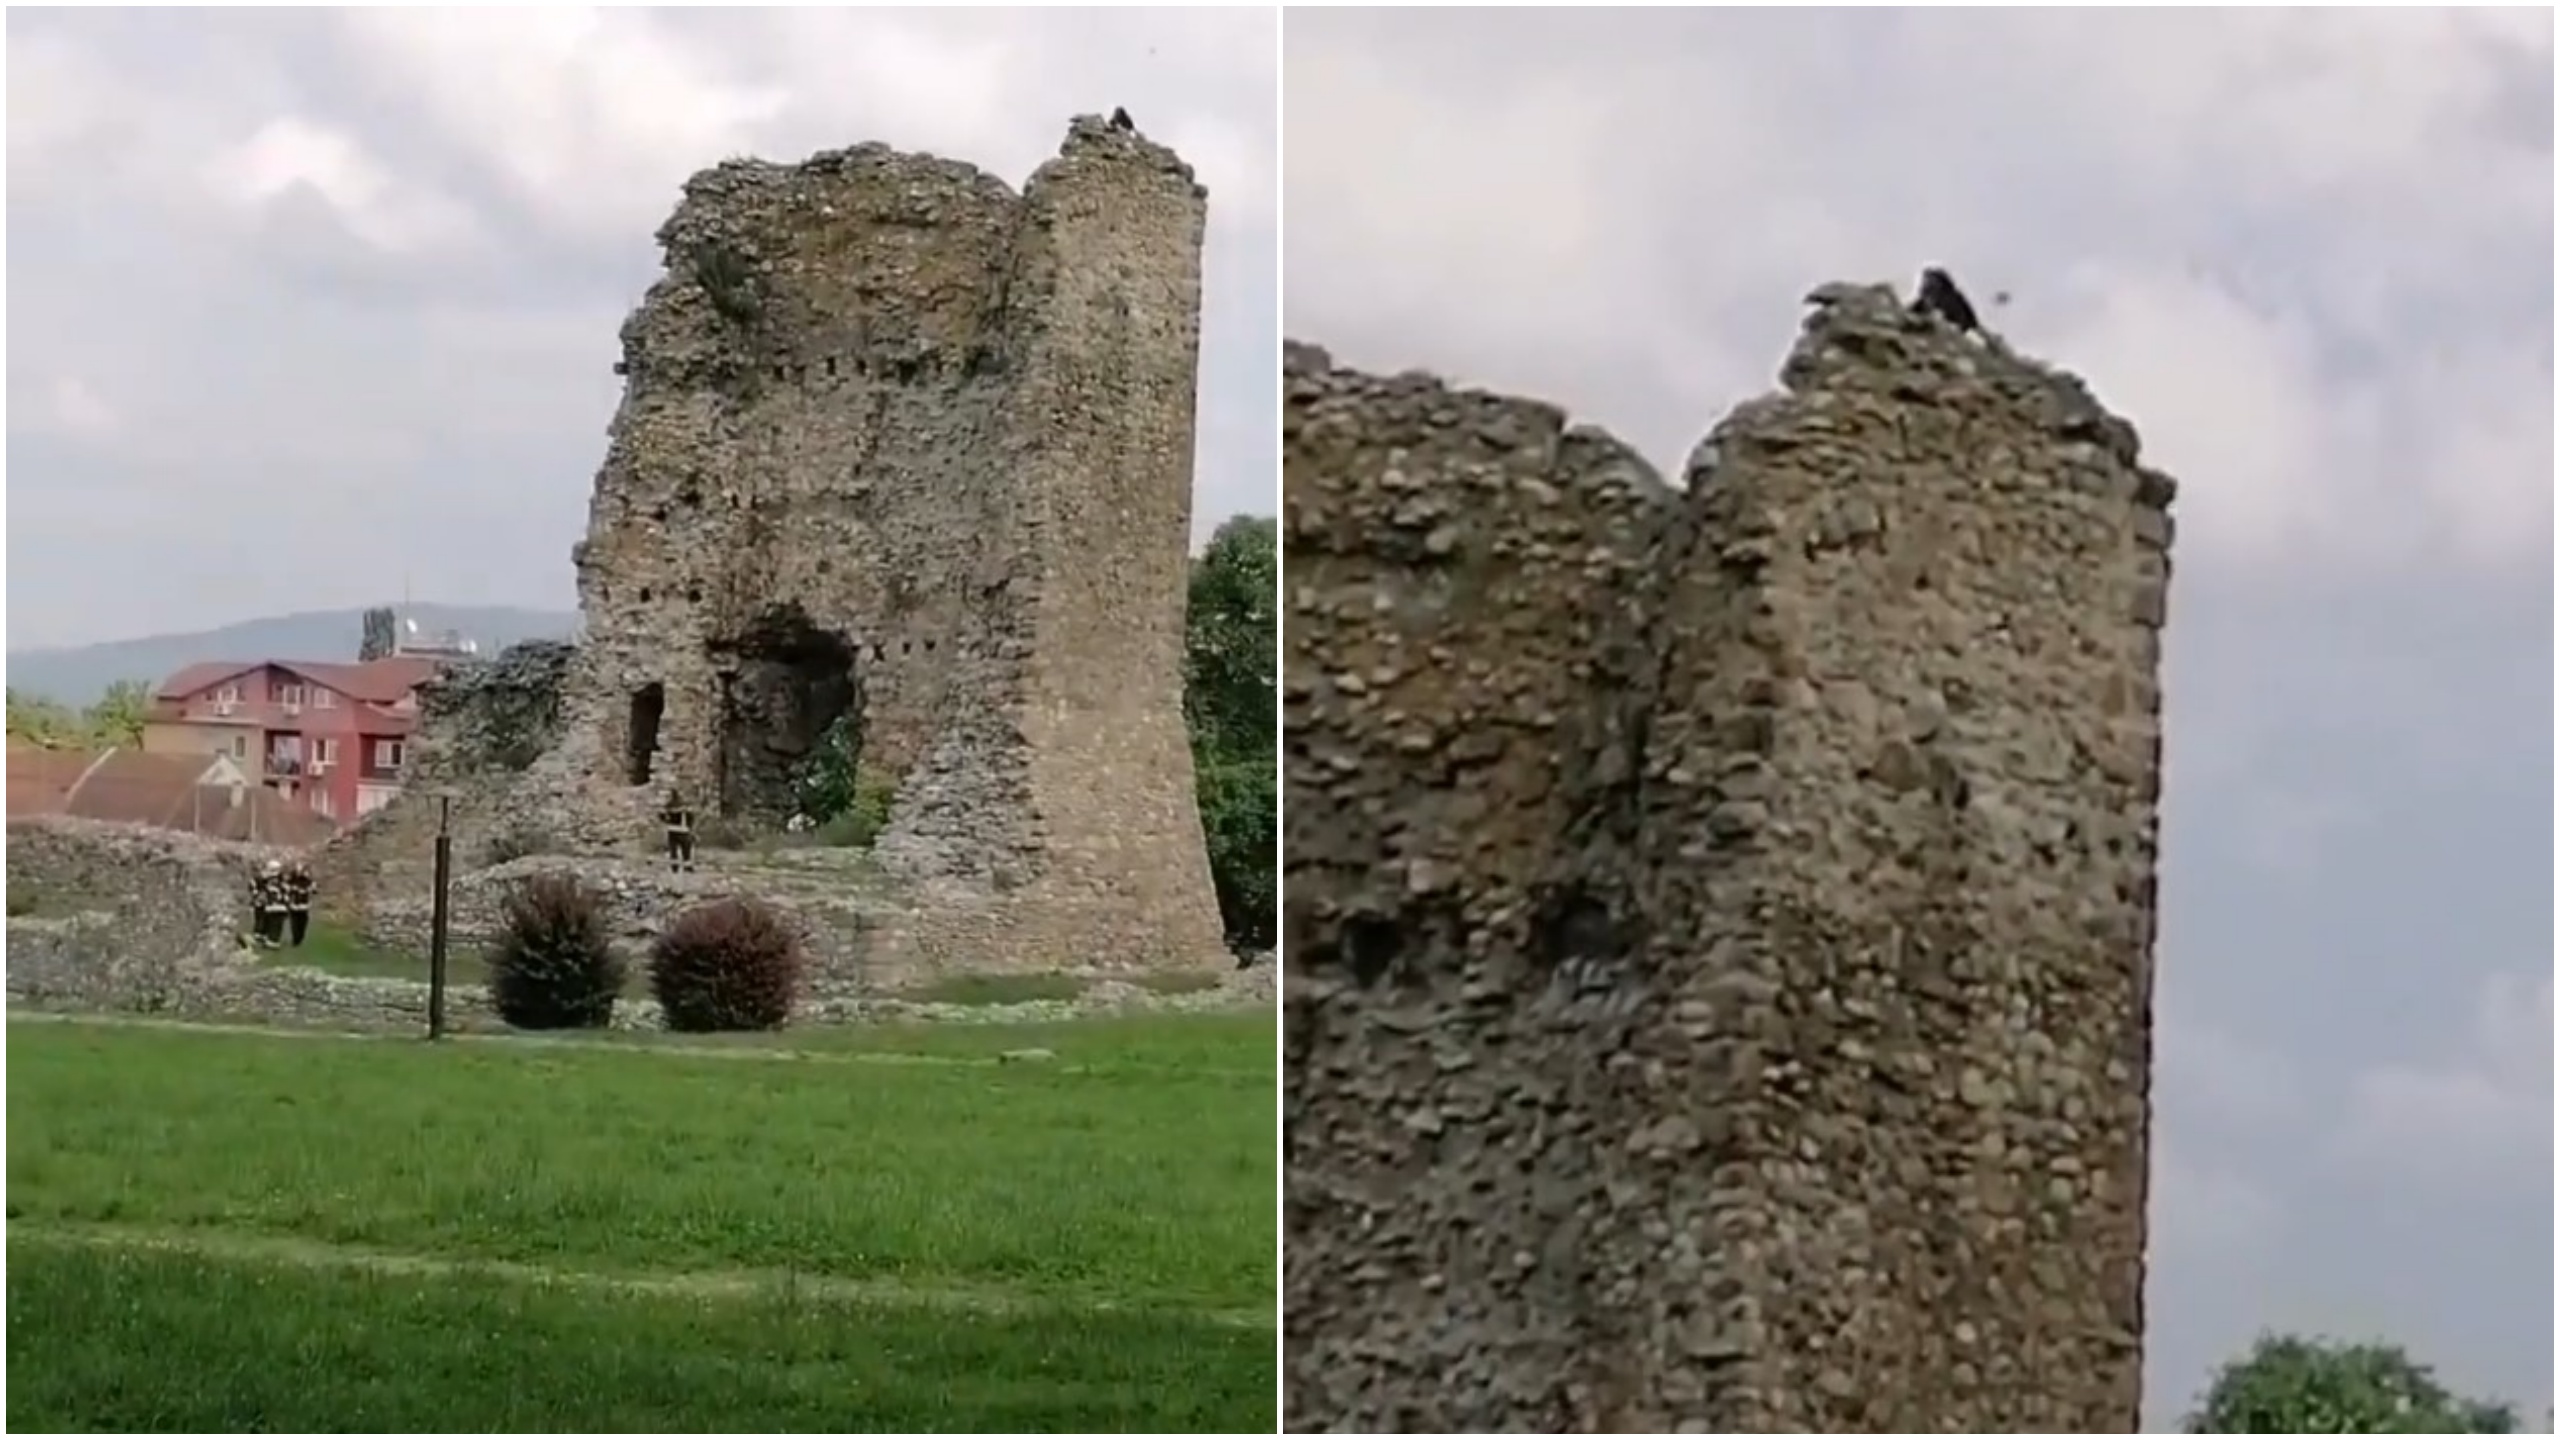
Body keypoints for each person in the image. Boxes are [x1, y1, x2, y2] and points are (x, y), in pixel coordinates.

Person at [250, 859, 287, 949]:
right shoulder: (265, 880)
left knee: (271, 923)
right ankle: (269, 939)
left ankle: (270, 940)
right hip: (273, 906)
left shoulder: (275, 881)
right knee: (269, 923)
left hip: (273, 906)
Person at [282, 858, 316, 948]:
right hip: (294, 905)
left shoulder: (307, 880)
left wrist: (310, 888)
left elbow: (314, 889)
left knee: (303, 923)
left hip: (304, 906)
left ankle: (300, 938)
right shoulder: (291, 879)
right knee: (294, 923)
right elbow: (285, 888)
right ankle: (296, 939)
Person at [662, 791, 696, 874]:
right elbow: (691, 817)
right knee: (686, 850)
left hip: (672, 831)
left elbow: (663, 816)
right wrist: (691, 828)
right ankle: (687, 867)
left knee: (673, 850)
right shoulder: (684, 805)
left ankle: (674, 867)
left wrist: (666, 821)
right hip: (684, 831)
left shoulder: (669, 805)